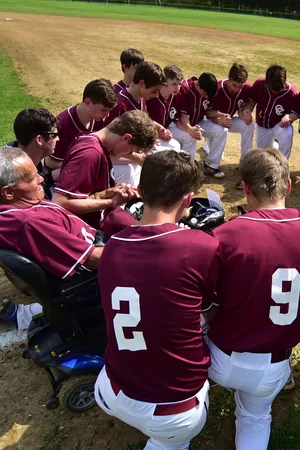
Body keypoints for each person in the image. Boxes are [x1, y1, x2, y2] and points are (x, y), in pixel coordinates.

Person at [205, 148, 300, 450]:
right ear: (288, 186)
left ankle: (186, 393)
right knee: (256, 417)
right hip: (274, 365)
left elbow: (205, 304)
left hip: (219, 360)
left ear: (246, 189)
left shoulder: (223, 235)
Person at [95, 151, 216, 450]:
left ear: (142, 191)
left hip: (110, 389)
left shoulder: (111, 248)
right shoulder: (200, 246)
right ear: (188, 200)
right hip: (172, 411)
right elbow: (211, 310)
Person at [0, 147, 102, 331]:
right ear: (8, 192)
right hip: (90, 273)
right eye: (31, 178)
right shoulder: (30, 224)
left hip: (70, 258)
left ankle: (27, 314)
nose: (41, 179)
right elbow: (93, 260)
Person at [53, 110, 157, 233]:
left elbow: (89, 193)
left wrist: (112, 192)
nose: (130, 154)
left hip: (96, 221)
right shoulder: (90, 154)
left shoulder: (101, 148)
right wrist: (112, 202)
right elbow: (59, 203)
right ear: (126, 138)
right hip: (86, 231)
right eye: (132, 150)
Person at [47, 79, 117, 178]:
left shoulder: (98, 118)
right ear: (88, 102)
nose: (107, 115)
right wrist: (84, 164)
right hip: (59, 177)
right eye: (104, 110)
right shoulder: (63, 124)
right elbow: (51, 162)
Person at [169, 72, 229, 178]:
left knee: (221, 131)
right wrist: (190, 129)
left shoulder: (206, 90)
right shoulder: (185, 88)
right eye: (205, 93)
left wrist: (221, 115)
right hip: (177, 124)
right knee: (191, 135)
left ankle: (211, 165)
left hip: (198, 121)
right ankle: (187, 169)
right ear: (197, 85)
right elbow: (183, 116)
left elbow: (207, 111)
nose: (206, 96)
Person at [209, 62, 255, 186]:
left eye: (240, 86)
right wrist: (219, 118)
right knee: (220, 130)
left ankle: (246, 163)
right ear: (228, 79)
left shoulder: (245, 90)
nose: (237, 89)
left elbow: (241, 107)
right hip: (210, 121)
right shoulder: (217, 88)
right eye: (234, 85)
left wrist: (245, 114)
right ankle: (212, 165)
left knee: (249, 125)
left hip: (228, 119)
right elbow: (206, 111)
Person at [245, 64, 298, 159]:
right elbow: (250, 103)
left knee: (287, 131)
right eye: (272, 89)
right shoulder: (259, 85)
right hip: (262, 124)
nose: (275, 92)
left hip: (279, 124)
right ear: (266, 81)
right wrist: (247, 111)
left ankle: (283, 164)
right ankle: (275, 145)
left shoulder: (291, 93)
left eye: (278, 90)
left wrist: (289, 117)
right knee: (263, 155)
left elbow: (296, 112)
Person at [7, 108, 59, 199]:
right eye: (54, 135)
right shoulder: (17, 177)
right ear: (39, 140)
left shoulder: (26, 153)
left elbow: (42, 178)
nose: (57, 139)